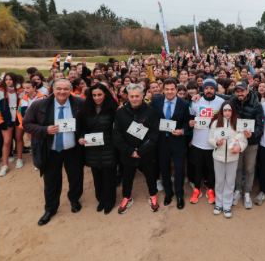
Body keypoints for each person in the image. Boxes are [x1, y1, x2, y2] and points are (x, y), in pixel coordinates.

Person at [23, 79, 85, 226]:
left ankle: (74, 200)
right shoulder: (39, 105)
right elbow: (27, 124)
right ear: (52, 89)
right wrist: (44, 130)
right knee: (51, 182)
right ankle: (50, 209)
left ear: (70, 89)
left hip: (73, 150)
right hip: (51, 151)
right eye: (59, 89)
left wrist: (82, 136)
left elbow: (86, 124)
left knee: (76, 177)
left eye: (66, 89)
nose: (62, 92)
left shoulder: (80, 104)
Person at [112, 84, 161, 214]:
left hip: (146, 153)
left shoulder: (151, 112)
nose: (134, 99)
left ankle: (153, 195)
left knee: (151, 176)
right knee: (127, 178)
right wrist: (130, 151)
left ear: (142, 95)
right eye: (131, 96)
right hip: (127, 155)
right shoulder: (120, 113)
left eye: (137, 96)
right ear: (127, 96)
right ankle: (127, 197)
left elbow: (154, 134)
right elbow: (117, 136)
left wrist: (140, 151)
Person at [77, 84, 118, 215]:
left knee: (109, 177)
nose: (97, 97)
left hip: (109, 147)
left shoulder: (113, 109)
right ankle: (100, 199)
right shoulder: (86, 110)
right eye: (94, 95)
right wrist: (81, 137)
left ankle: (109, 201)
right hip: (92, 148)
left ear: (105, 94)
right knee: (97, 176)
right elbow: (83, 128)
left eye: (99, 94)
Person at [149, 77, 189, 209]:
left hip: (177, 141)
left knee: (179, 169)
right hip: (162, 141)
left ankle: (179, 194)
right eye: (167, 89)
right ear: (163, 90)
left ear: (177, 89)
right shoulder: (156, 100)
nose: (170, 92)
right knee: (164, 169)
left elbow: (187, 123)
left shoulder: (183, 104)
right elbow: (148, 114)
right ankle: (168, 193)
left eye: (172, 89)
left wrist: (182, 131)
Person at [207, 101, 248, 218]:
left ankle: (227, 205)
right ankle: (219, 204)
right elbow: (209, 139)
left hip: (233, 158)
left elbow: (244, 140)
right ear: (221, 111)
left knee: (230, 182)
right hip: (218, 157)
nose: (227, 113)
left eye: (230, 110)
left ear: (233, 111)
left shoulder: (238, 124)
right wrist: (216, 143)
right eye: (225, 110)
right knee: (219, 181)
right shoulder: (216, 123)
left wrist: (240, 147)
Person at [188, 77, 224, 204]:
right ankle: (197, 189)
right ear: (203, 89)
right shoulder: (196, 101)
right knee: (197, 167)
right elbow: (191, 116)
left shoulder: (221, 102)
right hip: (198, 142)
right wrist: (190, 124)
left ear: (215, 90)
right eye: (206, 88)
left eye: (211, 88)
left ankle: (210, 189)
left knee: (211, 169)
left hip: (213, 142)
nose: (209, 91)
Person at [0, 72, 25, 176]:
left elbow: (23, 106)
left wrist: (22, 119)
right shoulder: (0, 91)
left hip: (18, 120)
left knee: (19, 138)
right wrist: (0, 121)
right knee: (7, 142)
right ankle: (5, 165)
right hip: (6, 120)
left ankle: (19, 159)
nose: (8, 81)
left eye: (10, 79)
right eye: (6, 79)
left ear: (15, 80)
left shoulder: (21, 91)